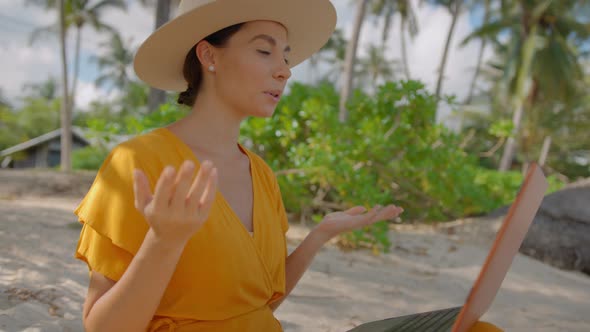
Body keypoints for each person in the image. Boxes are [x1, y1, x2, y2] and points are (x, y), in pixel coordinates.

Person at [74, 1, 502, 331]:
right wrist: (163, 243)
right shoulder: (138, 162)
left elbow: (258, 306)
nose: (284, 71)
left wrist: (319, 236)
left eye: (287, 57)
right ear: (209, 56)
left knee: (474, 327)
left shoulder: (260, 174)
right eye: (265, 51)